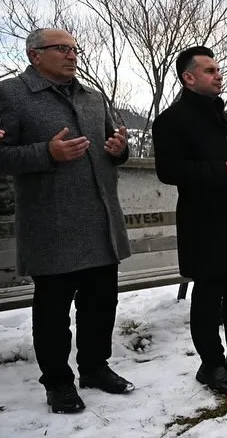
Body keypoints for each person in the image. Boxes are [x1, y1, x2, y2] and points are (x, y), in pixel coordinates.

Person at [0, 28, 133, 413]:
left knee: (101, 303)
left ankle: (94, 367)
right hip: (51, 224)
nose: (72, 55)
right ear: (34, 55)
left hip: (100, 219)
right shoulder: (11, 94)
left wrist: (119, 149)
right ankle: (58, 382)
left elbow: (114, 145)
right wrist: (47, 153)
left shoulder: (94, 97)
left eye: (75, 48)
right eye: (62, 48)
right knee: (53, 312)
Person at [153, 46, 227, 395]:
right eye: (209, 70)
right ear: (188, 78)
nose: (218, 74)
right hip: (204, 225)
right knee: (208, 298)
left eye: (218, 69)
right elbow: (169, 170)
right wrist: (222, 173)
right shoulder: (171, 121)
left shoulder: (225, 117)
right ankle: (212, 364)